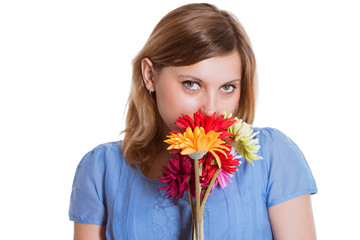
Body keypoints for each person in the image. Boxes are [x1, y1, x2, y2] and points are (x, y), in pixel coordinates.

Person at [69, 3, 317, 240]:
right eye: (192, 84)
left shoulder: (271, 157)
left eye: (227, 88)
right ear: (150, 76)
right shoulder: (102, 170)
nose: (211, 110)